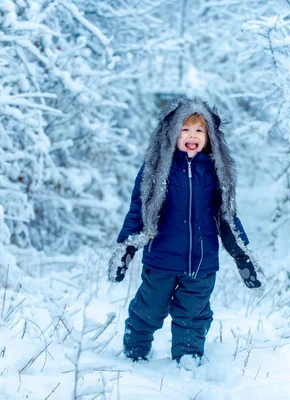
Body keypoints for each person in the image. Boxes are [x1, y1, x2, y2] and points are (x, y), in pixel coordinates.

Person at [108, 97, 263, 364]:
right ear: (172, 135)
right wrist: (127, 248)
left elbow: (227, 217)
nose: (192, 136)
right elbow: (139, 210)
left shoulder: (216, 173)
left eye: (199, 130)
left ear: (209, 136)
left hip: (202, 263)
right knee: (149, 309)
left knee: (194, 314)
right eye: (185, 130)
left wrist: (242, 256)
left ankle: (188, 360)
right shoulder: (157, 169)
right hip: (161, 259)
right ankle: (134, 354)